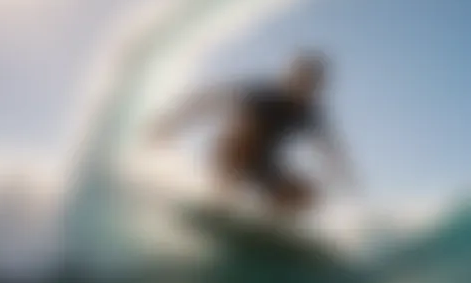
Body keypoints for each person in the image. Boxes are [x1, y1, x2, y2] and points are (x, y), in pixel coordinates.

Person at [148, 51, 358, 214]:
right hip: (232, 150)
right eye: (302, 79)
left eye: (312, 85)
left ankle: (273, 223)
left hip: (263, 164)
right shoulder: (265, 94)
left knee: (306, 194)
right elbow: (208, 100)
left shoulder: (309, 114)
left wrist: (347, 183)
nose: (306, 88)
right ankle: (219, 199)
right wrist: (170, 125)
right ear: (292, 77)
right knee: (248, 142)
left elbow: (332, 152)